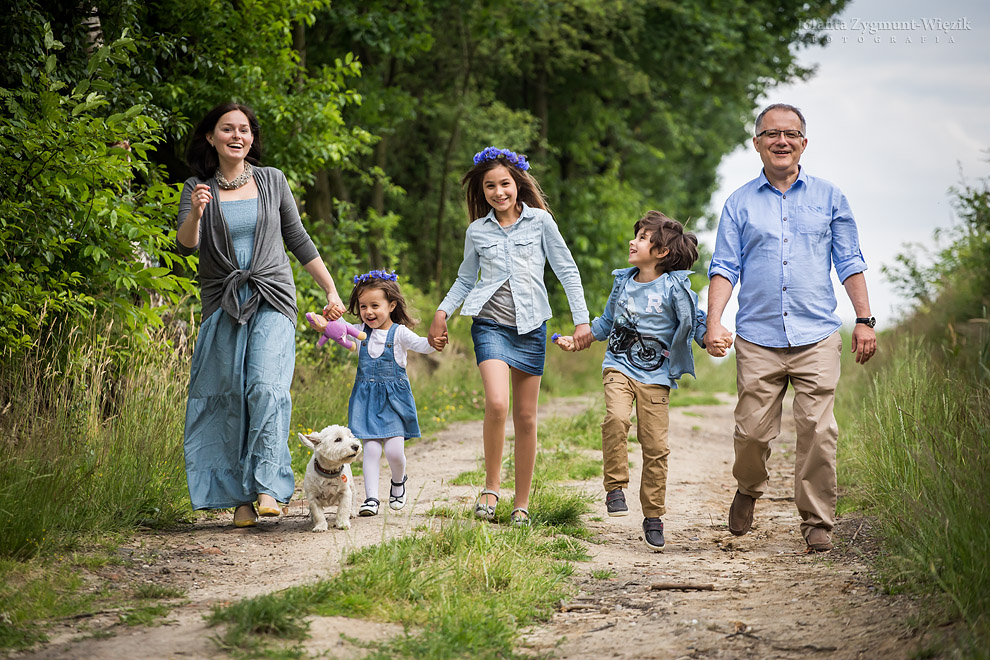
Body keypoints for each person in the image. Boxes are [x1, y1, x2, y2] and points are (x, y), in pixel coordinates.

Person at [706, 103, 877, 552]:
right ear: (757, 142)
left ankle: (818, 521)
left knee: (818, 430)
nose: (781, 141)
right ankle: (748, 488)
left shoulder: (830, 197)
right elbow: (724, 266)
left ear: (804, 142)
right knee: (752, 433)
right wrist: (714, 320)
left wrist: (863, 319)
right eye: (771, 133)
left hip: (816, 334)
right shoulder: (738, 203)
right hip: (758, 336)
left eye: (791, 133)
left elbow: (850, 261)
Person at [177, 102, 345, 528]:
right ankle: (241, 501)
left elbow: (298, 239)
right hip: (223, 302)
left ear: (252, 138)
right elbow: (186, 244)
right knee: (230, 397)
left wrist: (329, 288)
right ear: (211, 137)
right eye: (227, 128)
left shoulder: (272, 180)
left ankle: (269, 486)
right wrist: (197, 212)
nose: (237, 135)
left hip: (272, 296)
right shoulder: (197, 187)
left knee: (266, 388)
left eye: (245, 129)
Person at [428, 146, 592, 527]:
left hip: (532, 328)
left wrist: (582, 321)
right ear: (482, 191)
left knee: (526, 417)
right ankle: (490, 488)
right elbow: (466, 279)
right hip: (489, 325)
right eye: (490, 186)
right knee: (497, 404)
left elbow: (567, 270)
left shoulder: (540, 223)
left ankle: (521, 504)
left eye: (505, 184)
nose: (499, 192)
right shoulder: (477, 231)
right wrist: (441, 311)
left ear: (517, 184)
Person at [554, 211, 715, 551]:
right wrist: (578, 340)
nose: (633, 241)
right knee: (616, 418)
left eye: (642, 237)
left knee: (655, 447)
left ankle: (653, 517)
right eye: (637, 235)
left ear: (662, 252)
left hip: (657, 377)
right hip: (619, 366)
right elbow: (606, 322)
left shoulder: (674, 286)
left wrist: (711, 338)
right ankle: (615, 487)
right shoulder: (623, 282)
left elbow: (695, 320)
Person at [342, 269, 436, 517]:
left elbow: (422, 345)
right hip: (366, 402)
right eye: (363, 306)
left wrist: (436, 341)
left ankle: (398, 481)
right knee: (370, 450)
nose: (368, 312)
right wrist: (326, 320)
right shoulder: (360, 331)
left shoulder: (400, 333)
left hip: (394, 403)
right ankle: (371, 498)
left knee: (394, 451)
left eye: (375, 305)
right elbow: (337, 329)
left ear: (392, 305)